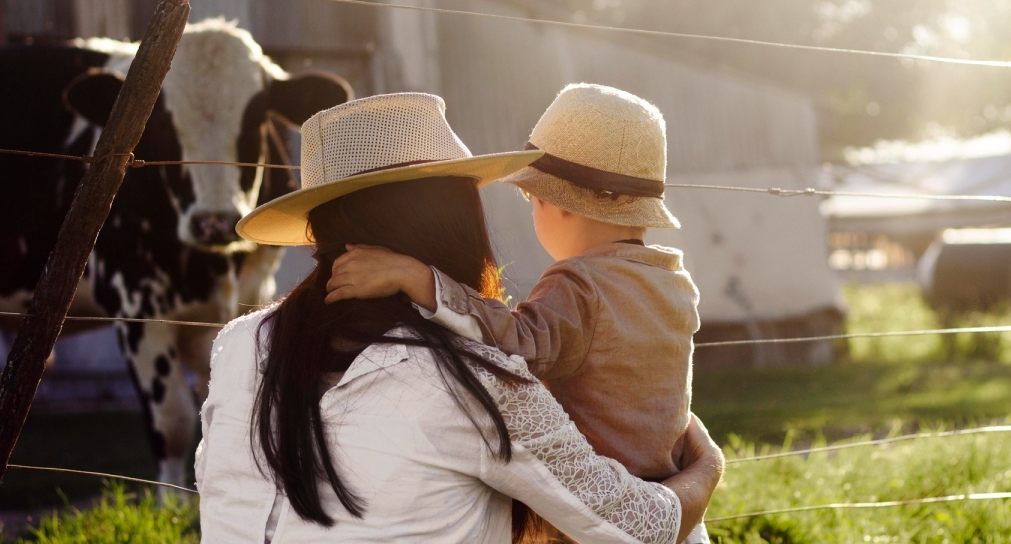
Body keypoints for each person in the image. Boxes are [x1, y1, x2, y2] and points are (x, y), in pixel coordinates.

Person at [195, 92, 723, 543]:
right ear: (454, 222)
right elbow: (638, 528)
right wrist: (707, 467)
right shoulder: (476, 382)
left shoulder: (240, 345)